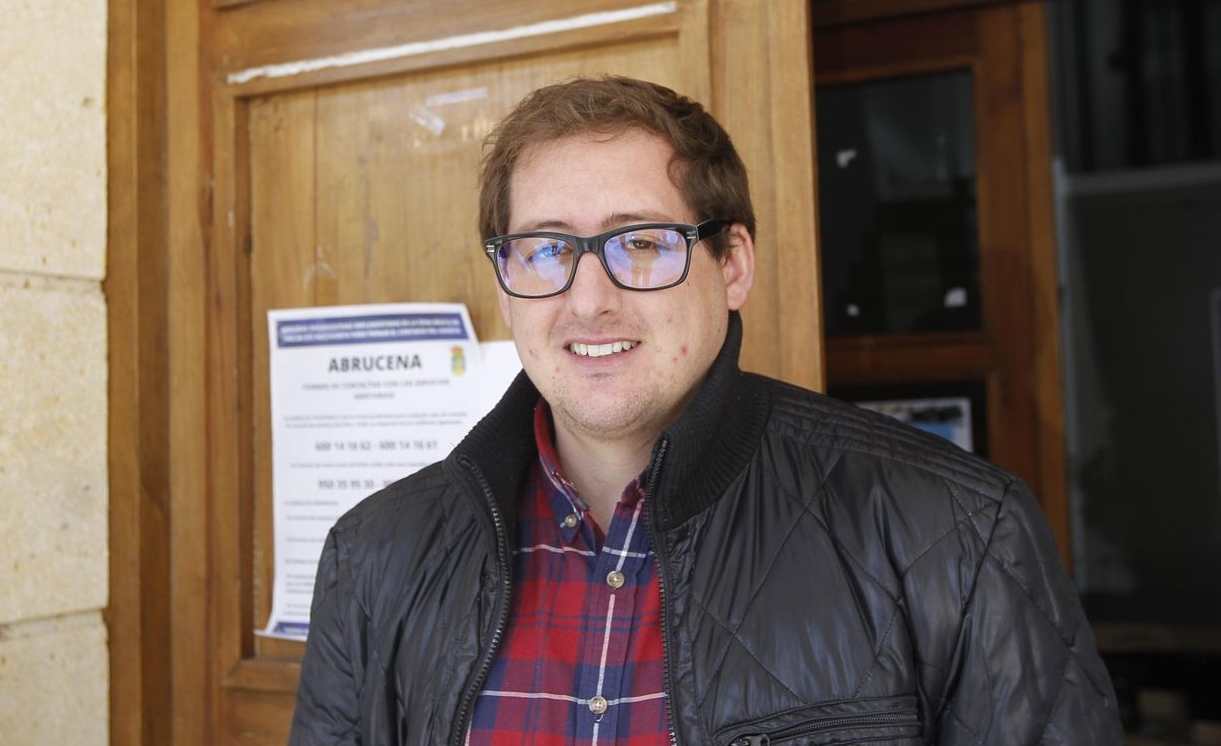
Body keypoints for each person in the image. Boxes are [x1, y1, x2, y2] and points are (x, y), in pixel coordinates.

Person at [289, 76, 1120, 744]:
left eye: (641, 243)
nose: (588, 300)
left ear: (732, 267)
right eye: (545, 250)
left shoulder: (959, 535)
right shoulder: (373, 557)